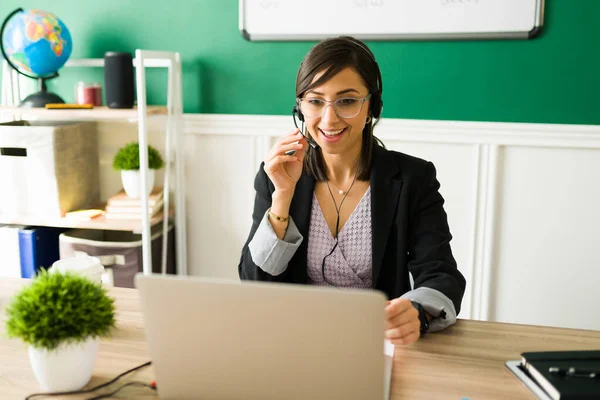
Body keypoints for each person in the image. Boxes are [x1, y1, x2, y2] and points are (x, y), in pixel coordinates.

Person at [238, 36, 466, 345]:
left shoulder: (414, 179)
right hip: (293, 340)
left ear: (371, 106)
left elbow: (441, 274)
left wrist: (417, 312)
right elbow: (254, 285)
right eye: (315, 101)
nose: (329, 119)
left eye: (346, 101)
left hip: (374, 344)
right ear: (300, 107)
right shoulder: (276, 175)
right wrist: (282, 198)